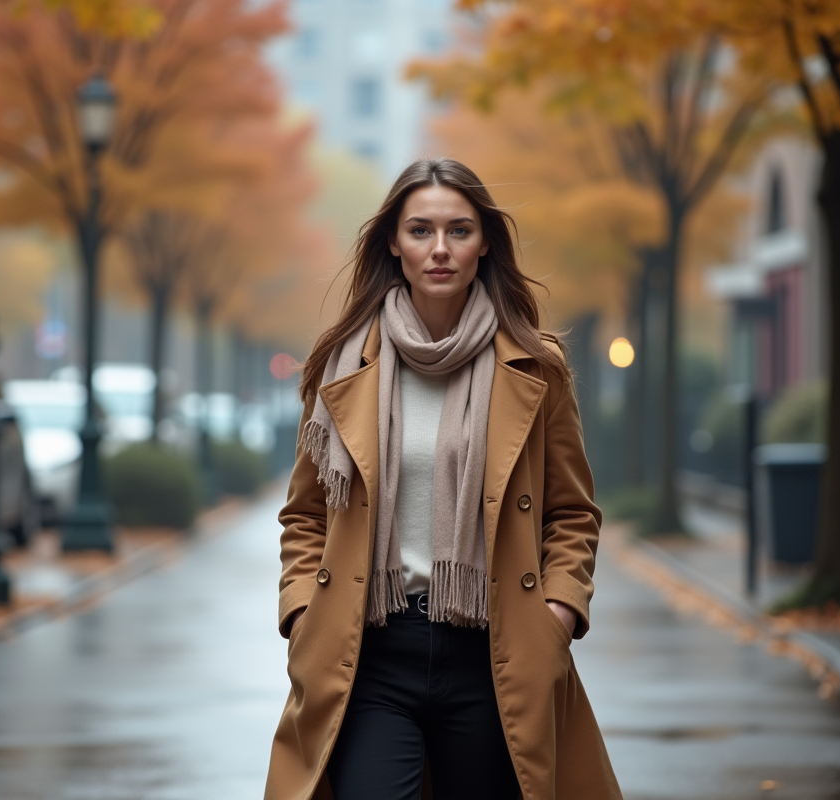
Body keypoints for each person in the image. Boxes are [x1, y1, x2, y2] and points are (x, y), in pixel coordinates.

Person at [264, 158, 622, 800]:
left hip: (496, 651)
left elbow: (572, 513)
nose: (439, 249)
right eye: (420, 230)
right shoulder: (344, 366)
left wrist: (557, 615)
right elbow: (306, 514)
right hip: (370, 649)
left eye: (458, 230)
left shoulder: (538, 368)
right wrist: (301, 611)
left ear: (484, 243)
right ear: (393, 244)